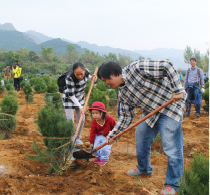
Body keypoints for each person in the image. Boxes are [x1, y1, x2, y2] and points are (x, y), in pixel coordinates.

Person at [97, 60, 186, 195]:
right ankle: (144, 169)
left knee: (171, 146)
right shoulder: (123, 94)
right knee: (141, 135)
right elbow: (126, 118)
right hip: (151, 112)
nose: (106, 84)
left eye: (105, 80)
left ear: (113, 74)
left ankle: (174, 185)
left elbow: (167, 65)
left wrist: (178, 90)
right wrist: (113, 135)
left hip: (170, 106)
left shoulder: (137, 68)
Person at [62, 62, 97, 145]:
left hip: (80, 98)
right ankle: (70, 140)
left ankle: (77, 138)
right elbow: (71, 95)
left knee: (82, 119)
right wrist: (80, 107)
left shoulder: (86, 73)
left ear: (84, 71)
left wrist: (93, 79)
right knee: (70, 121)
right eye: (77, 74)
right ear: (73, 73)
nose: (80, 76)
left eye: (81, 74)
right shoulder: (69, 78)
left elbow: (90, 78)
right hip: (69, 99)